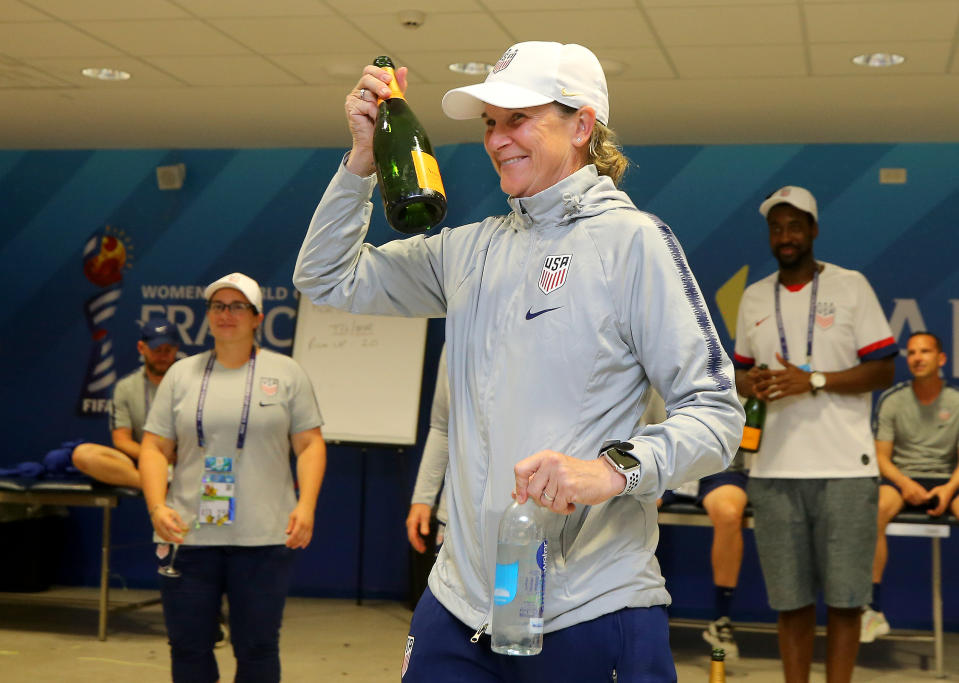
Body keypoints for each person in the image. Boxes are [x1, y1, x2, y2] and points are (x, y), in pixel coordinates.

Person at [294, 41, 744, 682]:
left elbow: (717, 416)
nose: (498, 139)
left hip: (588, 609)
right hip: (459, 606)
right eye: (489, 123)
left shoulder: (632, 242)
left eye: (518, 118)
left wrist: (610, 471)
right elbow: (325, 277)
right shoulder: (469, 251)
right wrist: (362, 163)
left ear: (582, 125)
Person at [733, 185, 897, 683]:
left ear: (814, 230)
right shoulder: (755, 296)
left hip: (846, 470)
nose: (785, 236)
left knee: (847, 601)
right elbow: (738, 374)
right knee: (790, 601)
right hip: (773, 470)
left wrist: (815, 380)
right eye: (776, 227)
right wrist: (752, 382)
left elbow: (883, 370)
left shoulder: (851, 287)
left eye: (795, 225)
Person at [139, 272, 327, 683]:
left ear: (257, 317)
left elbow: (310, 445)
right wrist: (156, 506)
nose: (227, 314)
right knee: (189, 647)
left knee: (258, 648)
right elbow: (153, 448)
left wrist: (307, 506)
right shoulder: (181, 375)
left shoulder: (287, 373)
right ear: (208, 315)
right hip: (187, 536)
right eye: (218, 306)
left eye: (238, 306)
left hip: (263, 539)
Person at [864, 331, 959, 642]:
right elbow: (881, 458)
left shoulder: (956, 402)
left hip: (948, 480)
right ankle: (872, 610)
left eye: (925, 351)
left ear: (941, 358)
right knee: (874, 510)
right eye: (913, 352)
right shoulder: (893, 399)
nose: (918, 357)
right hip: (900, 478)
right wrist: (905, 484)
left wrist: (947, 490)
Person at [71, 316, 180, 489]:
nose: (162, 356)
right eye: (156, 349)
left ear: (177, 349)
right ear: (141, 348)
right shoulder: (126, 387)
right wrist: (154, 456)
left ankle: (158, 485)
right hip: (143, 460)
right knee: (83, 455)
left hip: (184, 461)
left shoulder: (192, 382)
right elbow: (121, 440)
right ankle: (157, 486)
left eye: (168, 350)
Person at [406, 345, 449, 557]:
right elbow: (443, 427)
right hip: (454, 518)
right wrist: (423, 499)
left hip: (521, 516)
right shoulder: (459, 331)